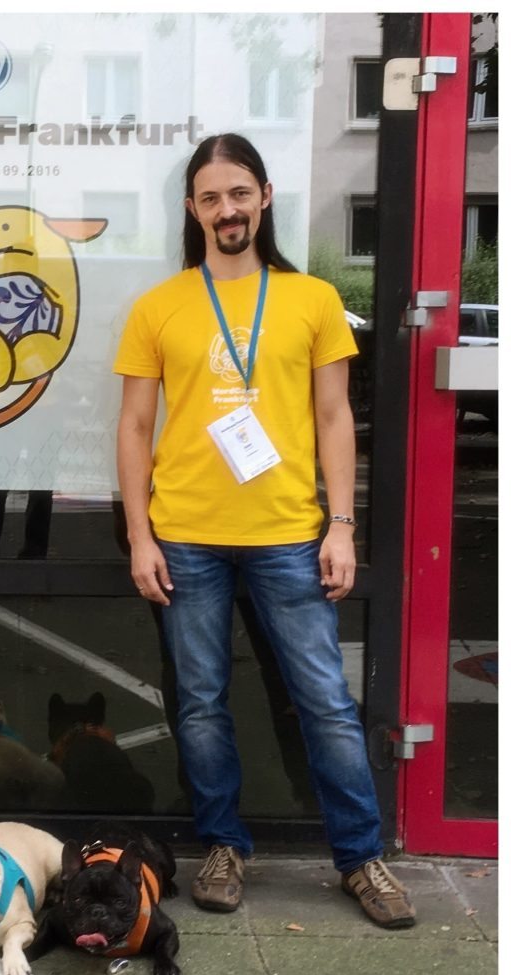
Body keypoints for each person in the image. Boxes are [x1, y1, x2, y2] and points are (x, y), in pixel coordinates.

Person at [114, 133, 415, 929]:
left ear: (265, 196)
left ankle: (361, 856)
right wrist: (141, 537)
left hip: (288, 531)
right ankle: (223, 845)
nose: (227, 210)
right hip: (186, 535)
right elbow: (135, 427)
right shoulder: (160, 306)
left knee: (325, 702)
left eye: (239, 193)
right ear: (193, 210)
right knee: (203, 704)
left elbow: (333, 417)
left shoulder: (311, 299)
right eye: (210, 198)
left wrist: (342, 524)